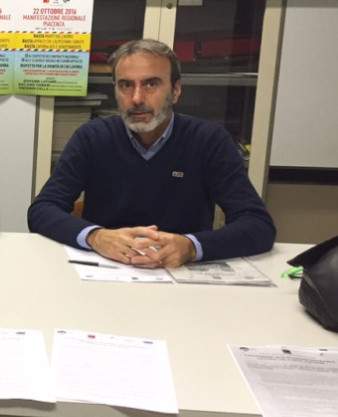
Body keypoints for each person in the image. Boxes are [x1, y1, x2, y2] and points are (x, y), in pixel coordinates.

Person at [27, 38, 275, 268]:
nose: (137, 98)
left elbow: (258, 225)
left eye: (151, 84)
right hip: (107, 270)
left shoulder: (208, 140)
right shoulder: (93, 137)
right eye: (126, 85)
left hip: (180, 273)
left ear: (176, 90)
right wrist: (96, 236)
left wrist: (191, 247)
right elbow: (42, 210)